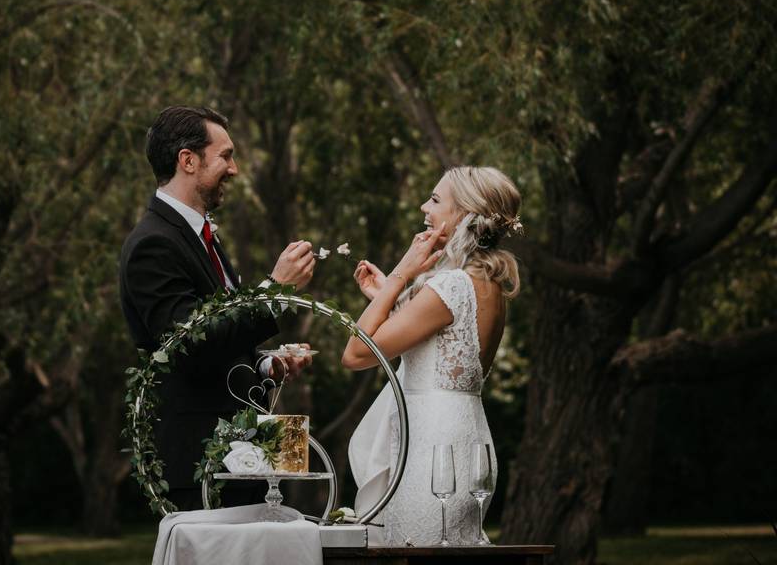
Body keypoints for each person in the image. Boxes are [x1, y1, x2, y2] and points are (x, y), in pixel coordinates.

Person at [119, 106, 315, 510]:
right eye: (225, 155)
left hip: (243, 457)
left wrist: (262, 364)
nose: (235, 169)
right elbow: (187, 342)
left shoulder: (204, 236)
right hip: (199, 466)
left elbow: (217, 340)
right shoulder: (153, 244)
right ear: (187, 161)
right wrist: (274, 292)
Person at [343, 166, 522, 545]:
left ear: (464, 215)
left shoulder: (450, 285)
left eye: (436, 199)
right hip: (467, 434)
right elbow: (440, 350)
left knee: (417, 545)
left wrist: (401, 274)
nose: (425, 206)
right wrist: (385, 300)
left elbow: (357, 353)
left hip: (432, 447)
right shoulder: (487, 284)